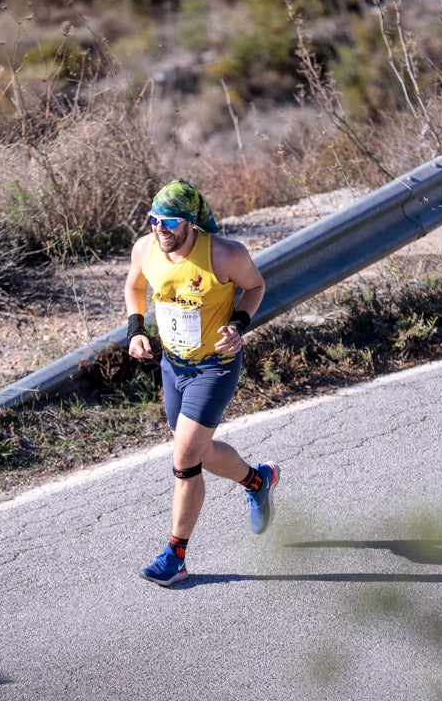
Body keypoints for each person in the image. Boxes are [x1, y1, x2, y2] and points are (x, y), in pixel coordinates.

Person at [124, 178, 278, 586]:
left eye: (170, 222)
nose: (161, 229)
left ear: (191, 223)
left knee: (184, 458)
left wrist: (239, 324)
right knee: (198, 449)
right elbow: (135, 284)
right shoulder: (146, 249)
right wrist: (135, 330)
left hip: (215, 366)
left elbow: (255, 286)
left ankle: (175, 555)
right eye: (154, 219)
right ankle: (257, 479)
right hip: (174, 366)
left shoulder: (225, 255)